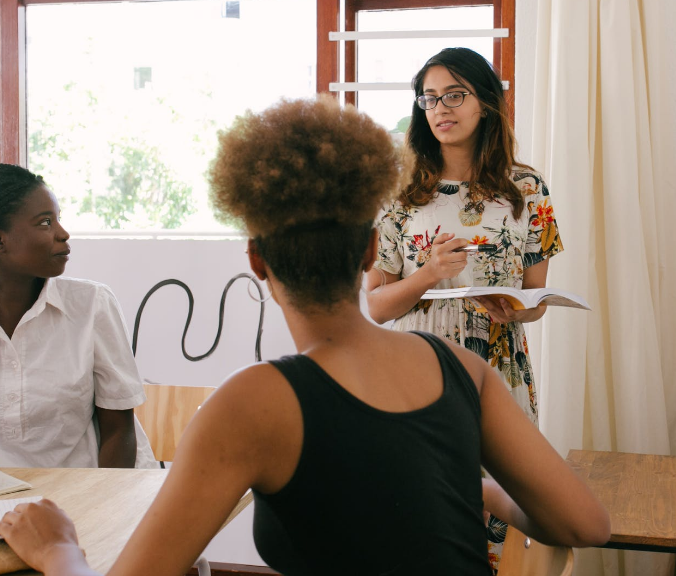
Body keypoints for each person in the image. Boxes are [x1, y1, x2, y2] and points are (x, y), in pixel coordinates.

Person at [0, 97, 609, 576]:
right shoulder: (455, 365)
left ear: (257, 261)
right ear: (372, 250)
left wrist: (56, 550)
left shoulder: (251, 402)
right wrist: (482, 490)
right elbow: (587, 524)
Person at [364, 47, 564, 568]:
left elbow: (535, 296)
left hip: (497, 368)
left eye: (455, 94)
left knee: (489, 527)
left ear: (486, 104)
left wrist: (515, 309)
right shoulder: (398, 194)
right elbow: (376, 307)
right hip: (414, 370)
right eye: (429, 98)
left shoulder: (527, 189)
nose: (440, 108)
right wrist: (428, 274)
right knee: (415, 520)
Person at [0, 164, 155, 469]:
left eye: (58, 219)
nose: (63, 233)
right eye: (45, 222)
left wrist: (104, 512)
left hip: (87, 499)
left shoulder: (91, 305)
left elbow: (119, 432)